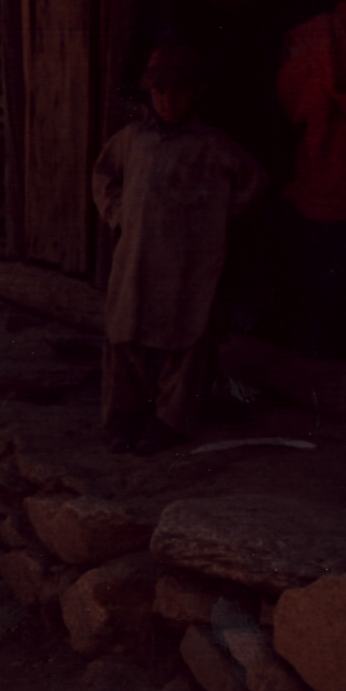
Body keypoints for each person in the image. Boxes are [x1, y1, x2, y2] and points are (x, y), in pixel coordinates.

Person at [92, 46, 265, 454]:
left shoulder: (211, 145)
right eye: (160, 92)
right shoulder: (131, 140)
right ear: (149, 94)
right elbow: (104, 177)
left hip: (189, 258)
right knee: (125, 332)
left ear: (197, 93)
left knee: (186, 333)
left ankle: (171, 419)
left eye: (179, 92)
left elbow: (254, 182)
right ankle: (124, 416)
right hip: (136, 255)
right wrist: (119, 214)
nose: (168, 100)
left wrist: (215, 217)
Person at [276, 0, 346, 358]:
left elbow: (291, 104)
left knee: (317, 271)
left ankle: (314, 351)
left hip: (319, 178)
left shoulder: (311, 35)